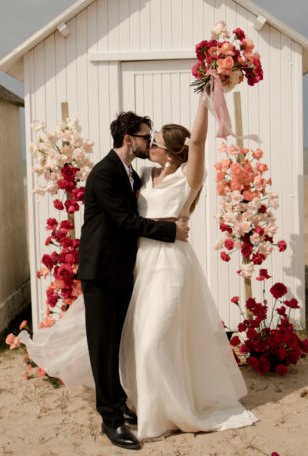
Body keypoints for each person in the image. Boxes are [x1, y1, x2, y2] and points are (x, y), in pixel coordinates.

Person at [118, 93, 257, 440]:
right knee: (139, 338)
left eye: (158, 141)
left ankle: (173, 409)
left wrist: (205, 101)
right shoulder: (147, 173)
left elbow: (197, 140)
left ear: (173, 151)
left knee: (156, 339)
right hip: (143, 263)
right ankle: (152, 407)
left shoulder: (188, 175)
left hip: (172, 265)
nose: (151, 144)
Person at [76, 112, 190, 450]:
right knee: (102, 346)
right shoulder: (104, 174)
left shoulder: (130, 174)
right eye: (145, 136)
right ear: (129, 139)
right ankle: (110, 420)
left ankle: (119, 403)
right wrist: (171, 230)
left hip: (122, 271)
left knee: (115, 344)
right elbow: (126, 221)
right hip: (100, 271)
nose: (149, 140)